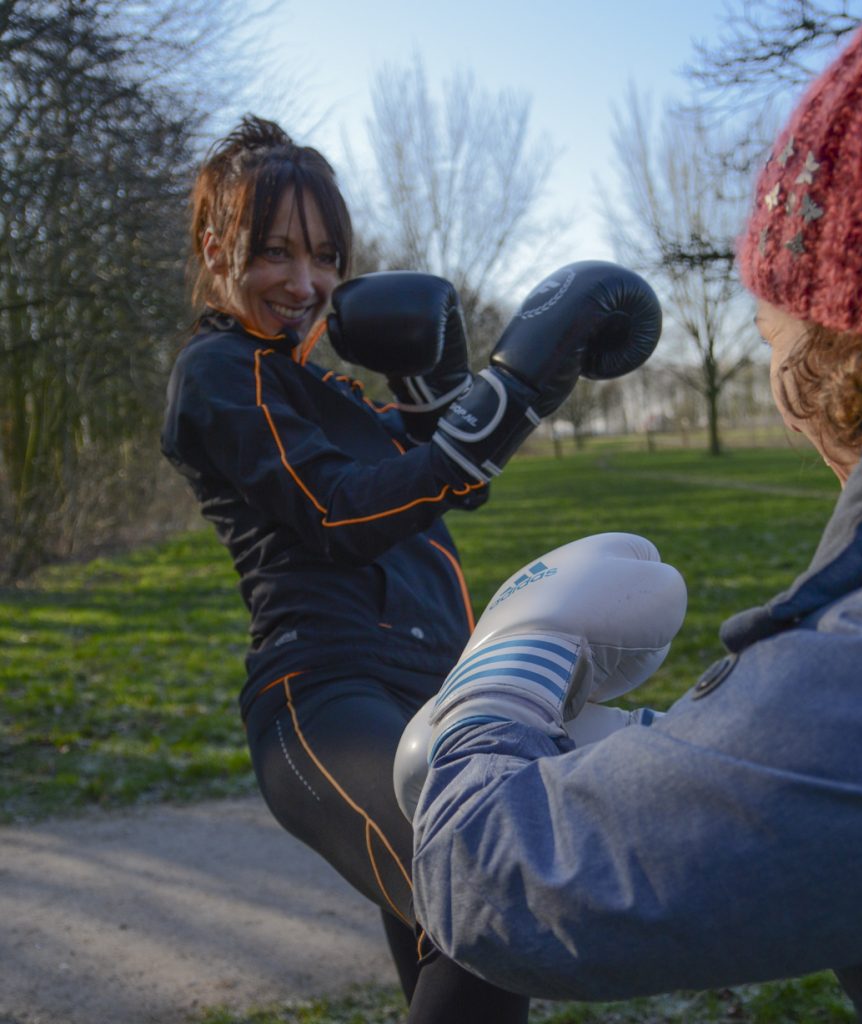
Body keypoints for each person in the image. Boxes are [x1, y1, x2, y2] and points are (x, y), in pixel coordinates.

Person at [397, 1, 862, 1021]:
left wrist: (503, 666)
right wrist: (676, 759)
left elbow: (499, 878)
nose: (779, 398)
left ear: (850, 338)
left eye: (774, 330)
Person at [160, 116, 661, 1022]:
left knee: (472, 952)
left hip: (436, 695)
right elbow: (339, 509)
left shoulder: (332, 390)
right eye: (272, 252)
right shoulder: (221, 373)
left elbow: (432, 482)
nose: (304, 283)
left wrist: (456, 397)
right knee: (491, 906)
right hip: (329, 695)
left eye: (324, 255)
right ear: (214, 248)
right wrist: (487, 421)